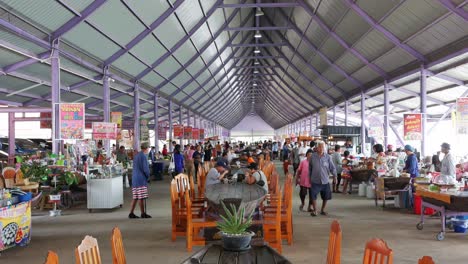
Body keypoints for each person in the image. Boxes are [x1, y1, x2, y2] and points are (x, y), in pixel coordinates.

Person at [308, 141, 337, 216]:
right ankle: (315, 210)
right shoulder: (313, 156)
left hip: (325, 180)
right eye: (319, 147)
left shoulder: (328, 157)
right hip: (315, 180)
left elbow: (332, 168)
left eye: (322, 147)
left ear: (324, 148)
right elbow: (310, 168)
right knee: (313, 196)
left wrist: (335, 177)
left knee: (326, 196)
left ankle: (322, 210)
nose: (321, 148)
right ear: (317, 148)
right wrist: (309, 177)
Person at [129, 143, 151, 219]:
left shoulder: (136, 156)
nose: (148, 149)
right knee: (141, 197)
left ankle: (131, 213)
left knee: (135, 197)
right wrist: (148, 176)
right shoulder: (143, 156)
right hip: (141, 179)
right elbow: (146, 169)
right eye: (148, 148)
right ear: (146, 148)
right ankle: (143, 213)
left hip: (135, 178)